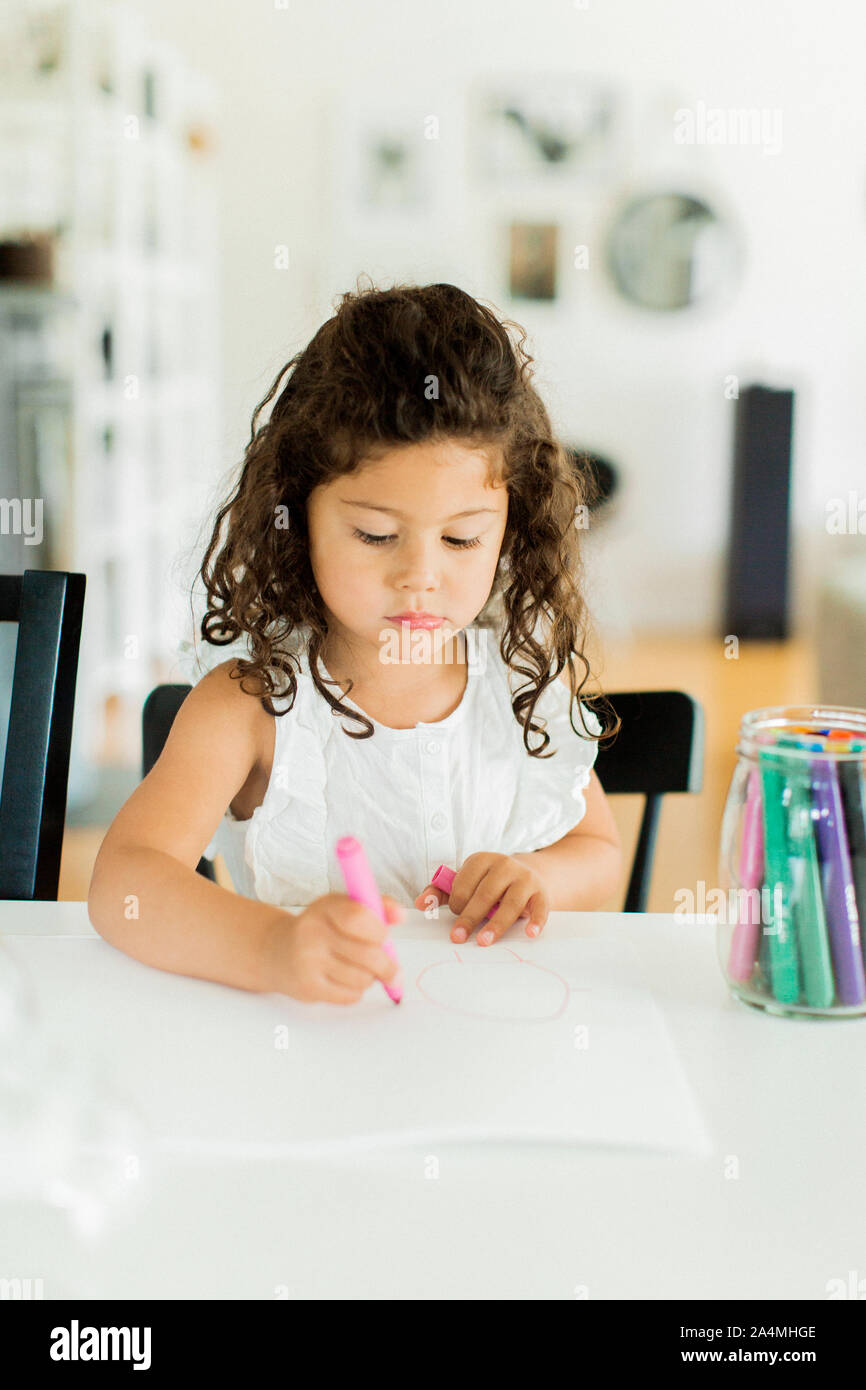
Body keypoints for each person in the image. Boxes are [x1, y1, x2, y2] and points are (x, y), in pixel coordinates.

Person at [88, 279, 623, 1005]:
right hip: (303, 1072)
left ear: (509, 530)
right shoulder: (251, 706)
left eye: (463, 538)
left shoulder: (520, 689)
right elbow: (126, 884)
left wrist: (538, 879)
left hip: (485, 1057)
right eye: (375, 534)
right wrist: (273, 948)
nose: (419, 577)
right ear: (296, 512)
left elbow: (598, 852)